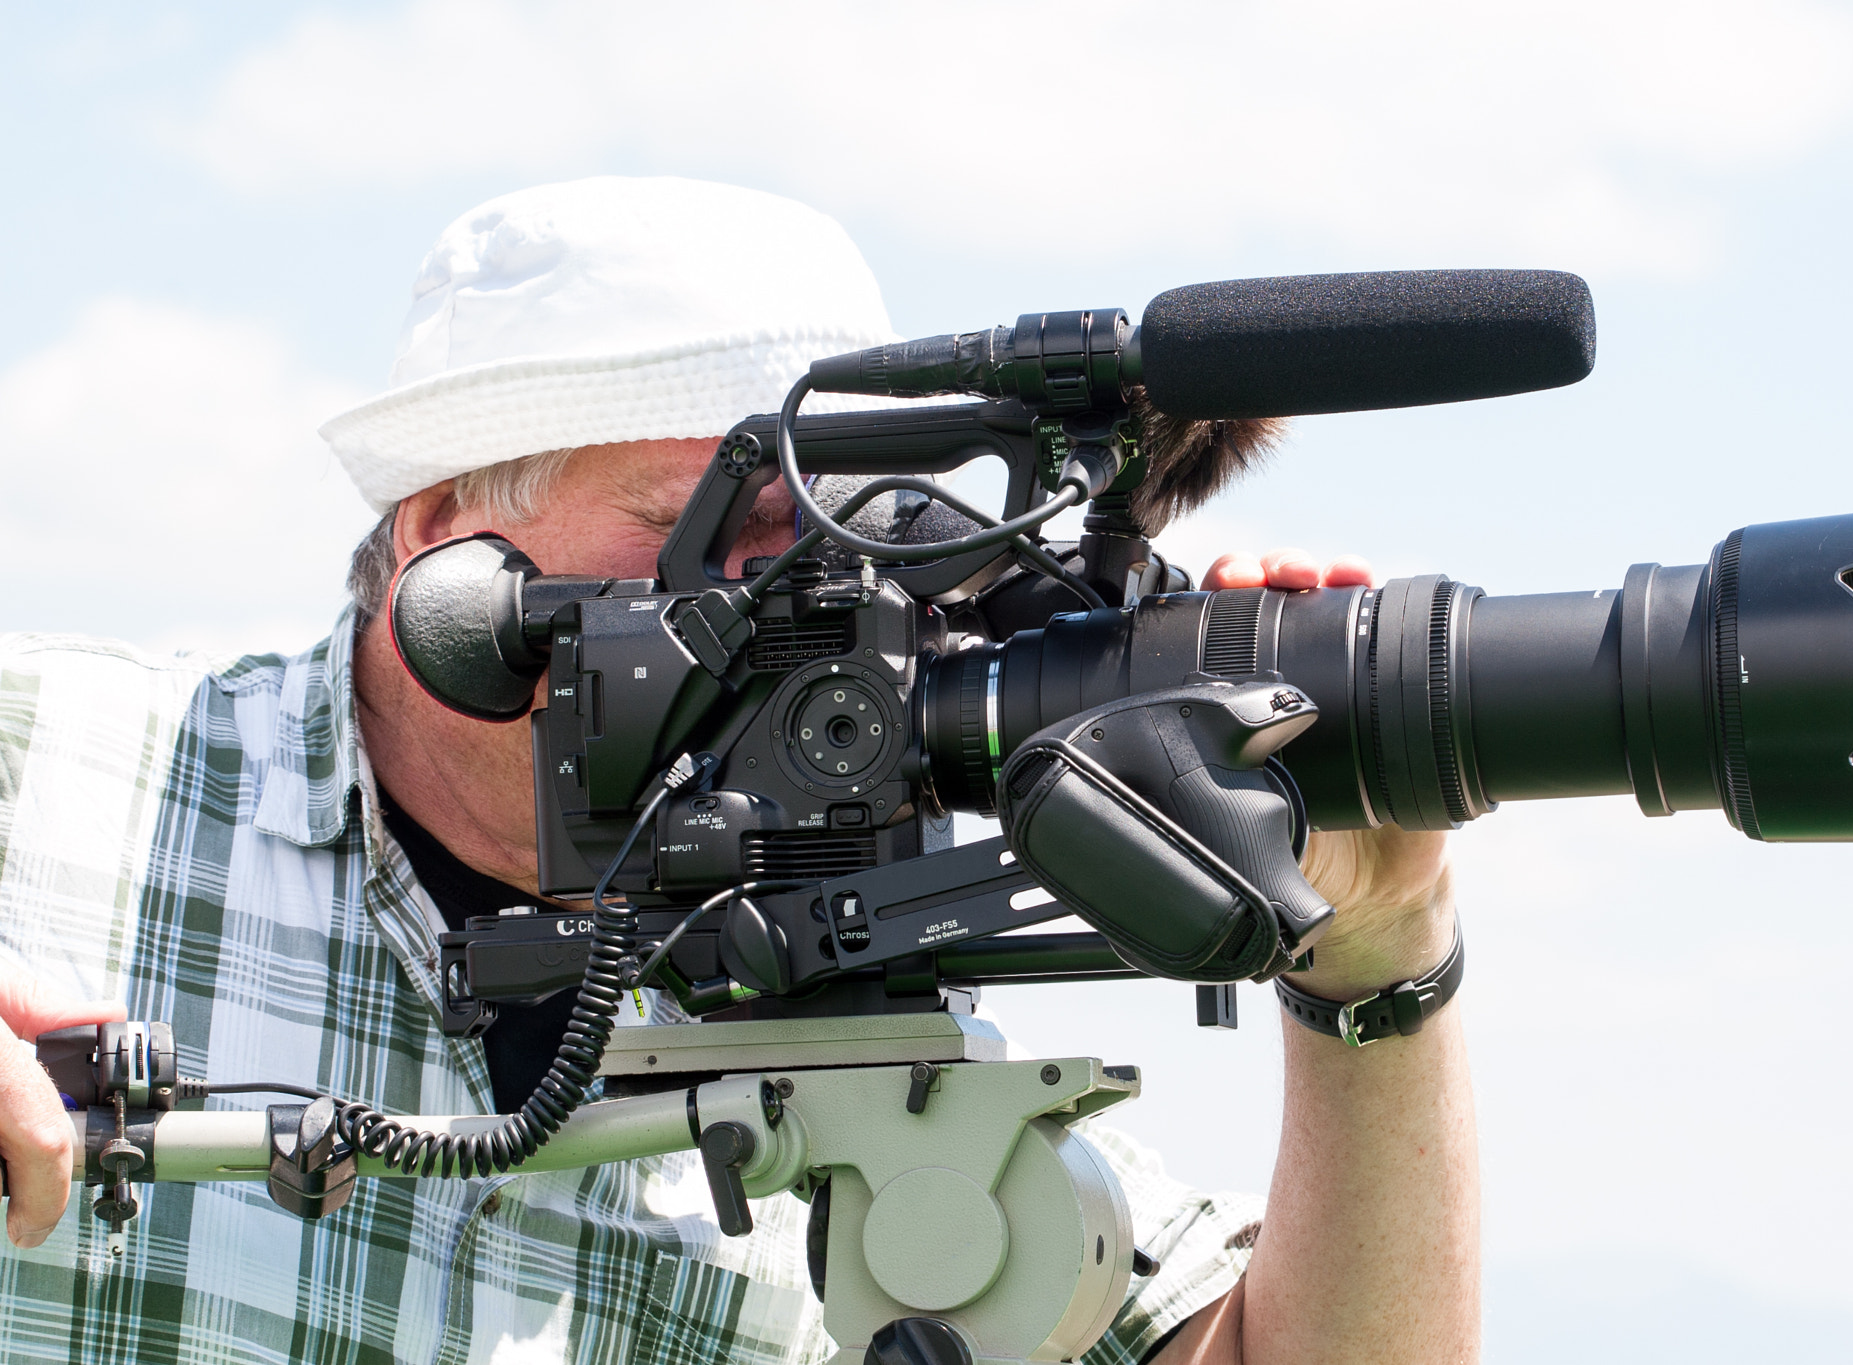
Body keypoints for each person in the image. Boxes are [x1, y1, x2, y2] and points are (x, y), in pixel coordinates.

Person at [0, 177, 1476, 1364]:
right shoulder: (44, 765)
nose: (811, 596)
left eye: (839, 532)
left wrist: (1382, 952)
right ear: (446, 533)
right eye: (719, 523)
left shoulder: (847, 952)